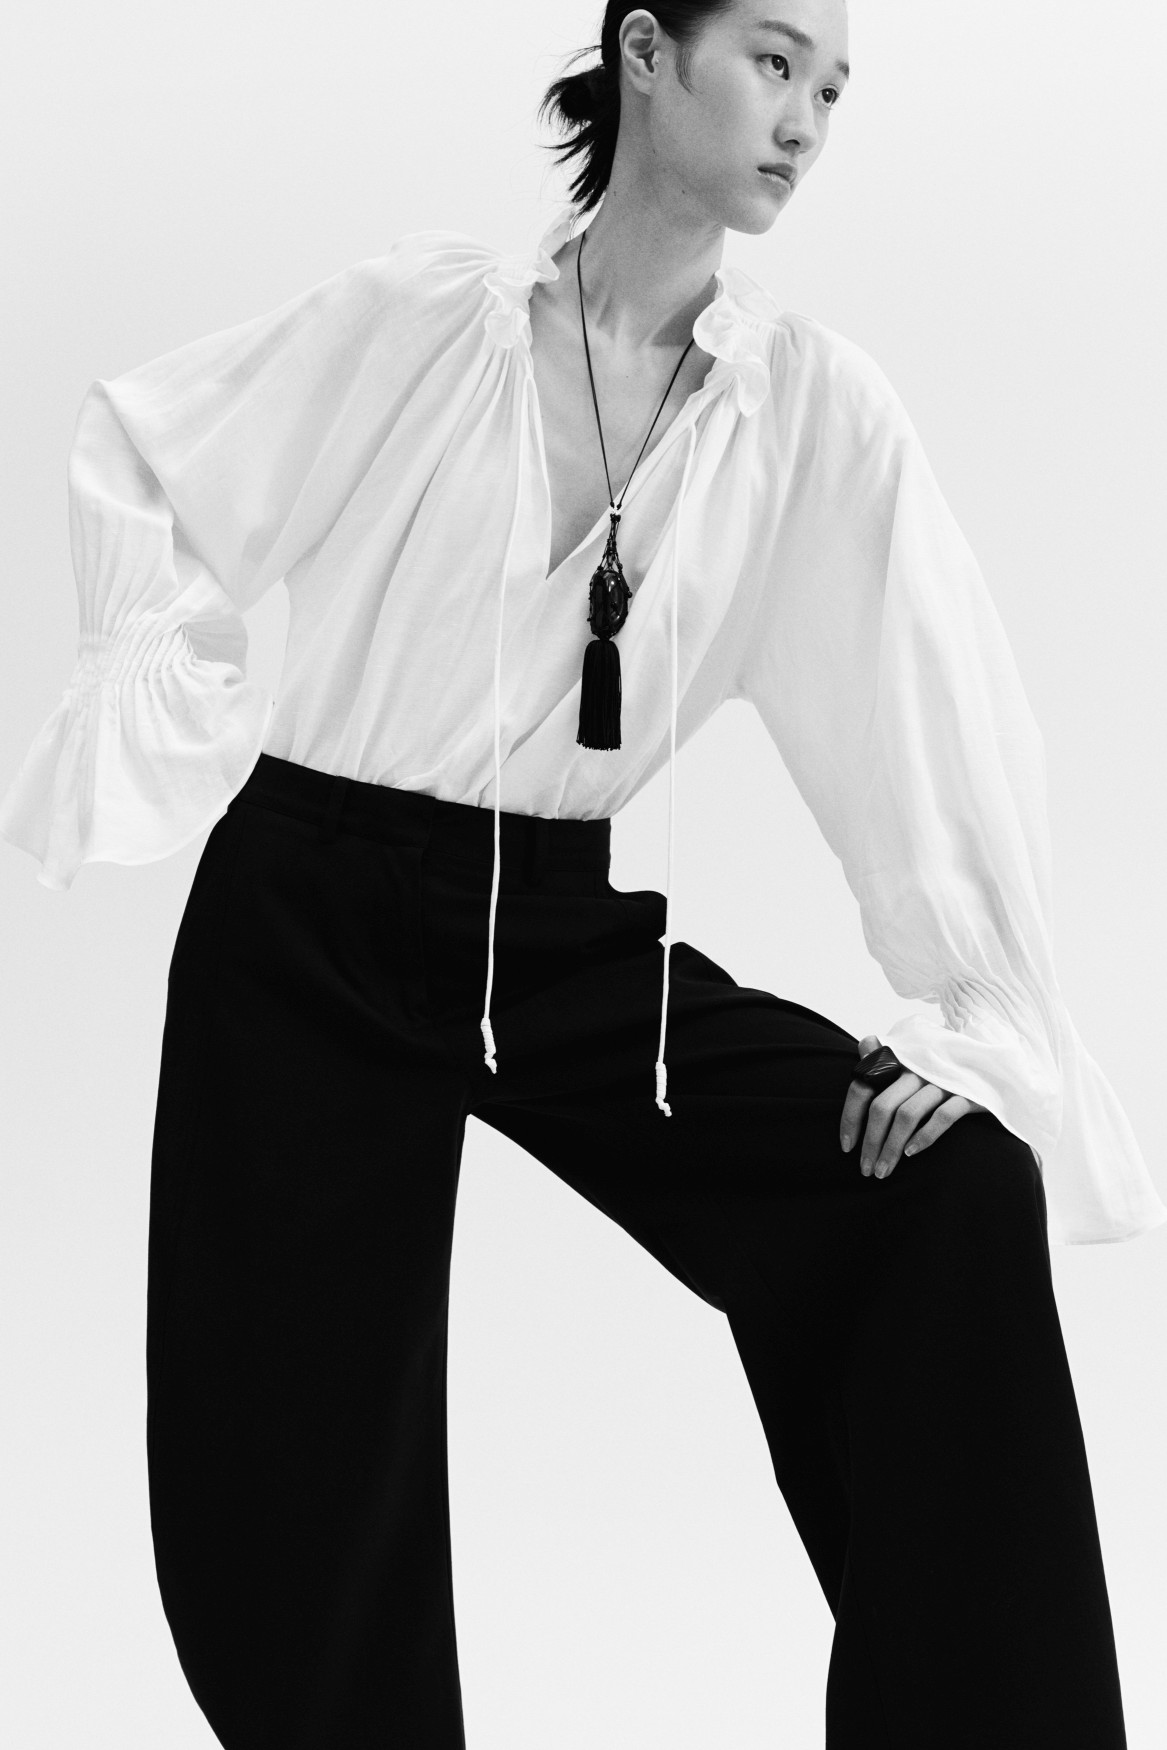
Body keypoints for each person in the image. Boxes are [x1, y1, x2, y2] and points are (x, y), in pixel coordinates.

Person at [2, 1, 1162, 1744]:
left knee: (949, 1197)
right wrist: (177, 677)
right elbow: (150, 446)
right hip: (307, 918)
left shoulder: (806, 416)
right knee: (289, 1498)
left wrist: (975, 1013)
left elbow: (922, 699)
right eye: (773, 61)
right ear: (644, 52)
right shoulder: (426, 324)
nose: (807, 119)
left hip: (552, 928)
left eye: (834, 87)